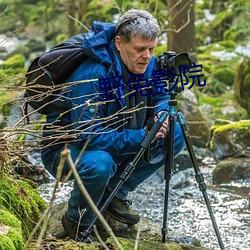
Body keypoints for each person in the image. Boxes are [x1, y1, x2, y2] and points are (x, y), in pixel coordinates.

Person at [41, 9, 185, 241]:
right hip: (67, 150)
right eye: (140, 49)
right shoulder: (92, 75)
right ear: (119, 43)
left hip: (117, 135)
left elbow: (161, 93)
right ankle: (76, 221)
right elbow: (87, 136)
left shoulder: (146, 63)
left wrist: (161, 113)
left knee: (175, 131)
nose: (147, 56)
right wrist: (142, 135)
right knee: (100, 164)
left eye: (152, 49)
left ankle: (115, 193)